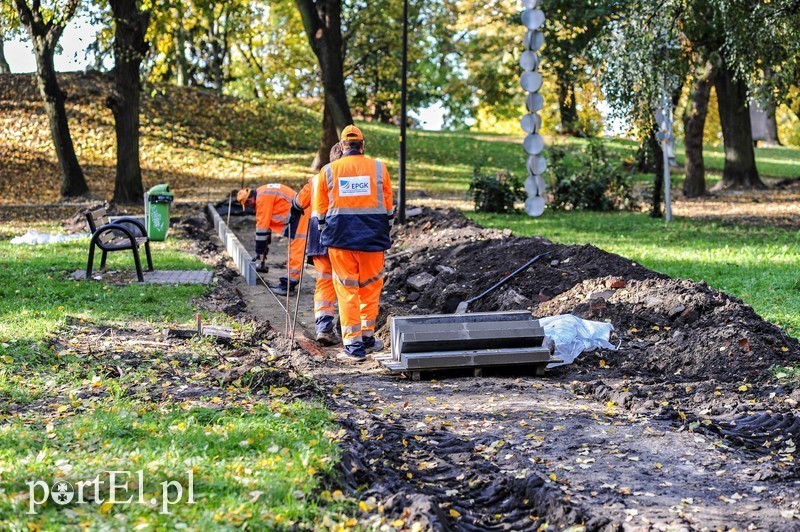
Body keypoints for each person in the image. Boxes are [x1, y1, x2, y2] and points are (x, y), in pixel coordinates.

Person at [312, 125, 394, 361]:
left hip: (341, 241)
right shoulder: (379, 168)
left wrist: (325, 232)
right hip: (373, 240)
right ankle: (367, 338)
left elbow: (320, 212)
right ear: (363, 145)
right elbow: (388, 208)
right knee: (370, 289)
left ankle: (353, 347)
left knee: (346, 291)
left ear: (342, 146)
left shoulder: (328, 171)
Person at [293, 144, 343, 346]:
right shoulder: (350, 178)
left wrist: (295, 210)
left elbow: (298, 202)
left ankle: (324, 327)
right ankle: (347, 328)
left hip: (318, 237)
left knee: (324, 282)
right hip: (342, 237)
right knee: (347, 283)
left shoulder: (316, 180)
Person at [237, 184, 309, 296]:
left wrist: (259, 251)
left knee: (296, 251)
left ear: (249, 200)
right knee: (294, 249)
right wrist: (262, 254)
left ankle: (288, 286)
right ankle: (288, 283)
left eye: (248, 205)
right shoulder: (263, 192)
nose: (250, 208)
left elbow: (262, 228)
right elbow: (267, 230)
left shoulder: (262, 199)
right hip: (299, 213)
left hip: (301, 215)